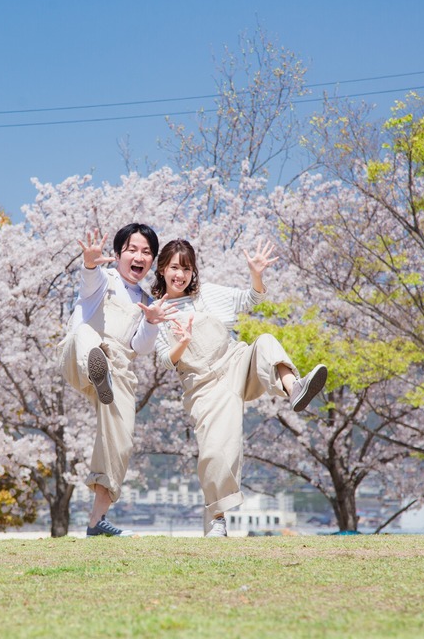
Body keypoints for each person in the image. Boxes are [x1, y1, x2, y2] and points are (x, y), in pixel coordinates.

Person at [153, 238, 327, 537]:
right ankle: (217, 518)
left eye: (186, 268)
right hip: (203, 386)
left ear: (193, 271)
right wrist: (182, 342)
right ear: (162, 270)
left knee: (265, 342)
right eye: (173, 268)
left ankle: (293, 388)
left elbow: (252, 299)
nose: (180, 275)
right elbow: (164, 361)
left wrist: (256, 273)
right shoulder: (157, 312)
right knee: (216, 451)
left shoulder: (209, 294)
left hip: (235, 363)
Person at [57, 224, 175, 537]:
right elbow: (89, 280)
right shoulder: (104, 281)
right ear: (119, 254)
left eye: (147, 252)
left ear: (152, 261)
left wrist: (150, 322)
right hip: (79, 356)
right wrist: (90, 262)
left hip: (118, 371)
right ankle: (97, 368)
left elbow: (141, 348)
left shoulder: (149, 301)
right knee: (84, 334)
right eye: (132, 250)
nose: (139, 256)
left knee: (120, 440)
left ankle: (96, 523)